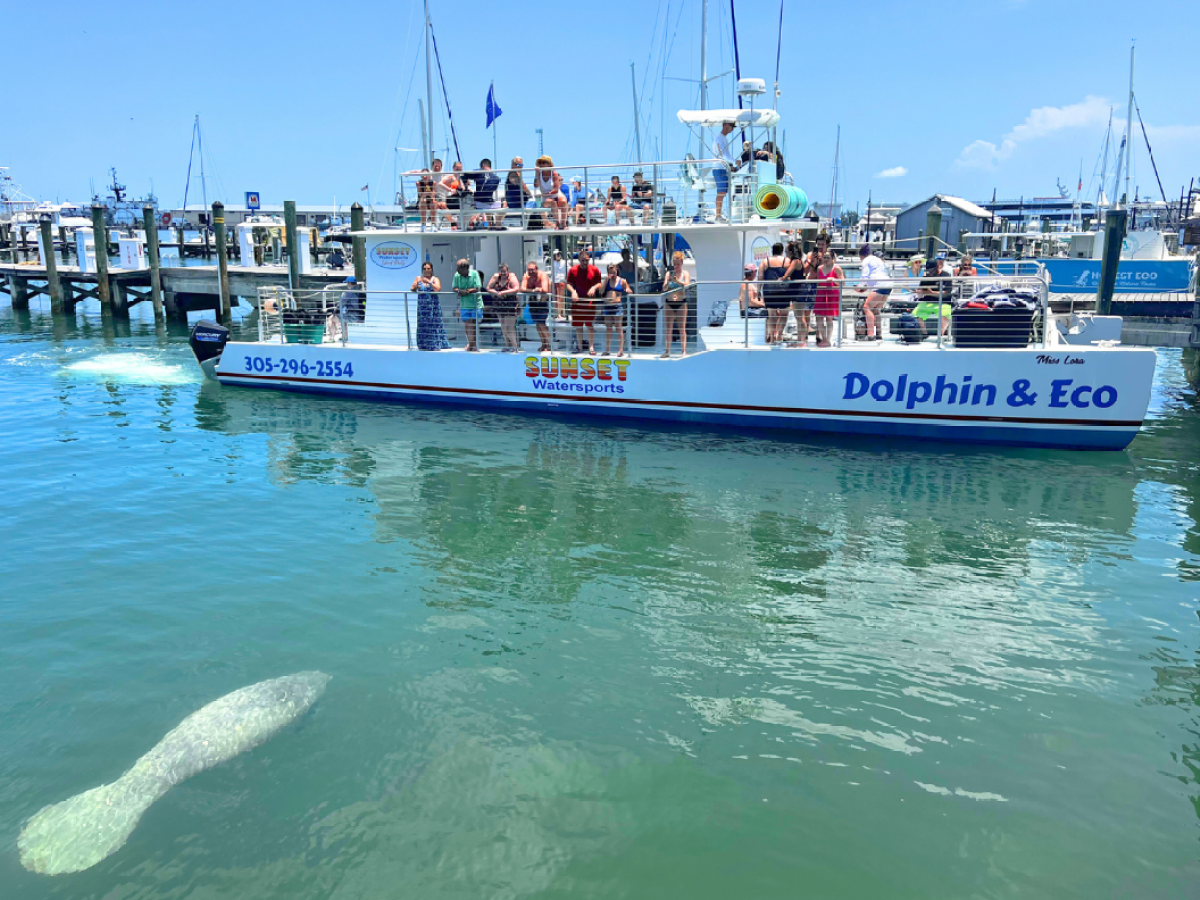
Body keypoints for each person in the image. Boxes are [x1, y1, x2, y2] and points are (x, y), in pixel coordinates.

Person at [565, 248, 602, 353]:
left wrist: (594, 288)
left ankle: (591, 347)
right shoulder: (573, 270)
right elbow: (568, 284)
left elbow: (599, 283)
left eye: (587, 260)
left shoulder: (594, 269)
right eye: (583, 260)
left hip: (590, 302)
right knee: (578, 326)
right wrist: (573, 291)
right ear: (579, 260)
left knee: (590, 325)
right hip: (577, 302)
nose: (585, 262)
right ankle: (580, 347)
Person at [590, 263, 630, 357]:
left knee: (618, 328)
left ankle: (620, 349)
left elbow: (629, 290)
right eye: (610, 271)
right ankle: (607, 349)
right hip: (607, 306)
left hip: (617, 306)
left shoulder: (622, 281)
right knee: (608, 328)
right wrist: (605, 280)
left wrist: (628, 290)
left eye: (613, 270)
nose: (612, 272)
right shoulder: (607, 281)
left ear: (616, 269)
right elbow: (601, 292)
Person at [854, 244, 891, 341]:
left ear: (862, 256)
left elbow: (864, 276)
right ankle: (879, 334)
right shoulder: (878, 260)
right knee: (876, 309)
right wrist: (866, 287)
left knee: (867, 307)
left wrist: (859, 287)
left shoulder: (866, 260)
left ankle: (870, 335)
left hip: (879, 285)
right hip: (888, 286)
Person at [411, 261, 450, 350]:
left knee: (434, 323)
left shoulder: (435, 279)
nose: (426, 270)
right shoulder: (418, 278)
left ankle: (435, 343)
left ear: (432, 270)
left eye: (428, 269)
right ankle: (423, 344)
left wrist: (429, 282)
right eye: (424, 269)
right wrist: (416, 286)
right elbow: (412, 288)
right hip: (422, 306)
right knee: (423, 324)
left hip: (432, 306)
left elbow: (438, 289)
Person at [783, 240, 814, 347]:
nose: (785, 252)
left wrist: (781, 279)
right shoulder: (798, 260)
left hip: (799, 291)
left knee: (800, 317)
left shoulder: (795, 261)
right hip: (798, 290)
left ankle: (802, 341)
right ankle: (800, 340)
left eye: (786, 250)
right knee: (799, 316)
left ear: (791, 251)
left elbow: (786, 275)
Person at [660, 250, 691, 357]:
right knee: (669, 329)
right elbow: (664, 288)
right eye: (675, 264)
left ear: (682, 263)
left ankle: (683, 351)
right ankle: (667, 351)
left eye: (678, 264)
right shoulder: (669, 274)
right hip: (670, 303)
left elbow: (687, 285)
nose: (676, 266)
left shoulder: (685, 273)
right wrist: (668, 282)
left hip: (681, 302)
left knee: (681, 328)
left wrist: (677, 281)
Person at [758, 242, 789, 343]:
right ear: (782, 251)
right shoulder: (787, 261)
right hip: (784, 291)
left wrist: (758, 290)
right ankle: (779, 335)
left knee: (772, 316)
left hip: (769, 291)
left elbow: (760, 277)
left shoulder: (765, 261)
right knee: (784, 314)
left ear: (772, 250)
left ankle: (772, 338)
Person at [487, 263, 522, 352]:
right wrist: (496, 293)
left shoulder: (512, 277)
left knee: (509, 327)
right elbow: (489, 288)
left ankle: (515, 347)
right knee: (503, 326)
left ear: (508, 270)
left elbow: (516, 288)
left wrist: (503, 293)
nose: (503, 273)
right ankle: (507, 345)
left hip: (510, 305)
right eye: (501, 271)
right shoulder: (496, 277)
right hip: (499, 305)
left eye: (504, 271)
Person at [915, 259, 953, 337]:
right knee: (916, 314)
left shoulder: (946, 275)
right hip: (928, 301)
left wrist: (932, 293)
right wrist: (919, 292)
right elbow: (920, 290)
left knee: (945, 315)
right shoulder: (927, 276)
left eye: (932, 269)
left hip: (943, 302)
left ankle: (941, 336)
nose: (930, 272)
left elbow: (946, 293)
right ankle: (924, 334)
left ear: (937, 267)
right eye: (929, 270)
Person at [813, 250, 843, 347]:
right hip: (821, 294)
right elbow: (818, 282)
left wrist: (834, 280)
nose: (825, 259)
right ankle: (824, 338)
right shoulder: (819, 268)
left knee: (829, 318)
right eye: (824, 257)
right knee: (818, 317)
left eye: (827, 257)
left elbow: (843, 282)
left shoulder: (837, 268)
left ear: (833, 259)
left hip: (831, 295)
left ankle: (828, 340)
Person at [522, 261, 553, 353]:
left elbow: (545, 289)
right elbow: (522, 288)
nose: (530, 272)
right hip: (533, 302)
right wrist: (534, 290)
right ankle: (543, 343)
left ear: (536, 269)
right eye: (529, 270)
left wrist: (537, 290)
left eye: (532, 270)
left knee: (542, 324)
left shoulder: (542, 275)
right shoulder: (526, 276)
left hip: (542, 303)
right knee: (538, 325)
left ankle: (549, 344)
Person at [453, 258, 483, 351]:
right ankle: (471, 344)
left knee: (474, 325)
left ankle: (474, 345)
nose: (457, 269)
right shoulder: (457, 275)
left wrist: (467, 291)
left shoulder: (474, 274)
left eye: (458, 267)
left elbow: (478, 287)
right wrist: (459, 291)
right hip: (464, 304)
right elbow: (454, 287)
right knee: (467, 325)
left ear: (465, 268)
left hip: (475, 304)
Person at [534, 156, 568, 229]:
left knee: (564, 201)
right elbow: (536, 185)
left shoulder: (554, 174)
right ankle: (558, 223)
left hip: (555, 194)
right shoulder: (539, 174)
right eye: (540, 163)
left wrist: (546, 194)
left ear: (549, 164)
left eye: (544, 162)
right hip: (546, 198)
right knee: (553, 203)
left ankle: (564, 224)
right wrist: (536, 174)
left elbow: (556, 189)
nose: (541, 165)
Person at [466, 159, 502, 227]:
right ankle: (489, 225)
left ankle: (472, 224)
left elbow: (466, 174)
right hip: (489, 202)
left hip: (479, 202)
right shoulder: (496, 178)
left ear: (483, 166)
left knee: (478, 211)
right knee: (487, 212)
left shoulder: (479, 173)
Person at [712, 120, 736, 221]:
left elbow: (727, 154)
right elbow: (721, 155)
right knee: (721, 192)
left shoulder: (724, 139)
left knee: (724, 192)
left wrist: (731, 165)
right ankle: (718, 215)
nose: (733, 129)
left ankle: (720, 214)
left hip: (724, 168)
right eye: (732, 126)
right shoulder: (719, 138)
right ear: (726, 125)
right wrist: (734, 161)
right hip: (719, 168)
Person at [504, 157, 531, 224]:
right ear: (513, 165)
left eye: (522, 166)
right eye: (519, 165)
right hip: (516, 203)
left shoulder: (517, 174)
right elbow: (523, 186)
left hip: (520, 203)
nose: (521, 168)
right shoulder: (513, 174)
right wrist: (529, 194)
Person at [551, 249, 568, 320]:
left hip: (561, 281)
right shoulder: (553, 263)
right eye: (556, 254)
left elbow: (569, 270)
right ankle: (556, 313)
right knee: (555, 298)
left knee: (560, 298)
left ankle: (559, 314)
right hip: (554, 281)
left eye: (558, 254)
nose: (557, 255)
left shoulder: (564, 262)